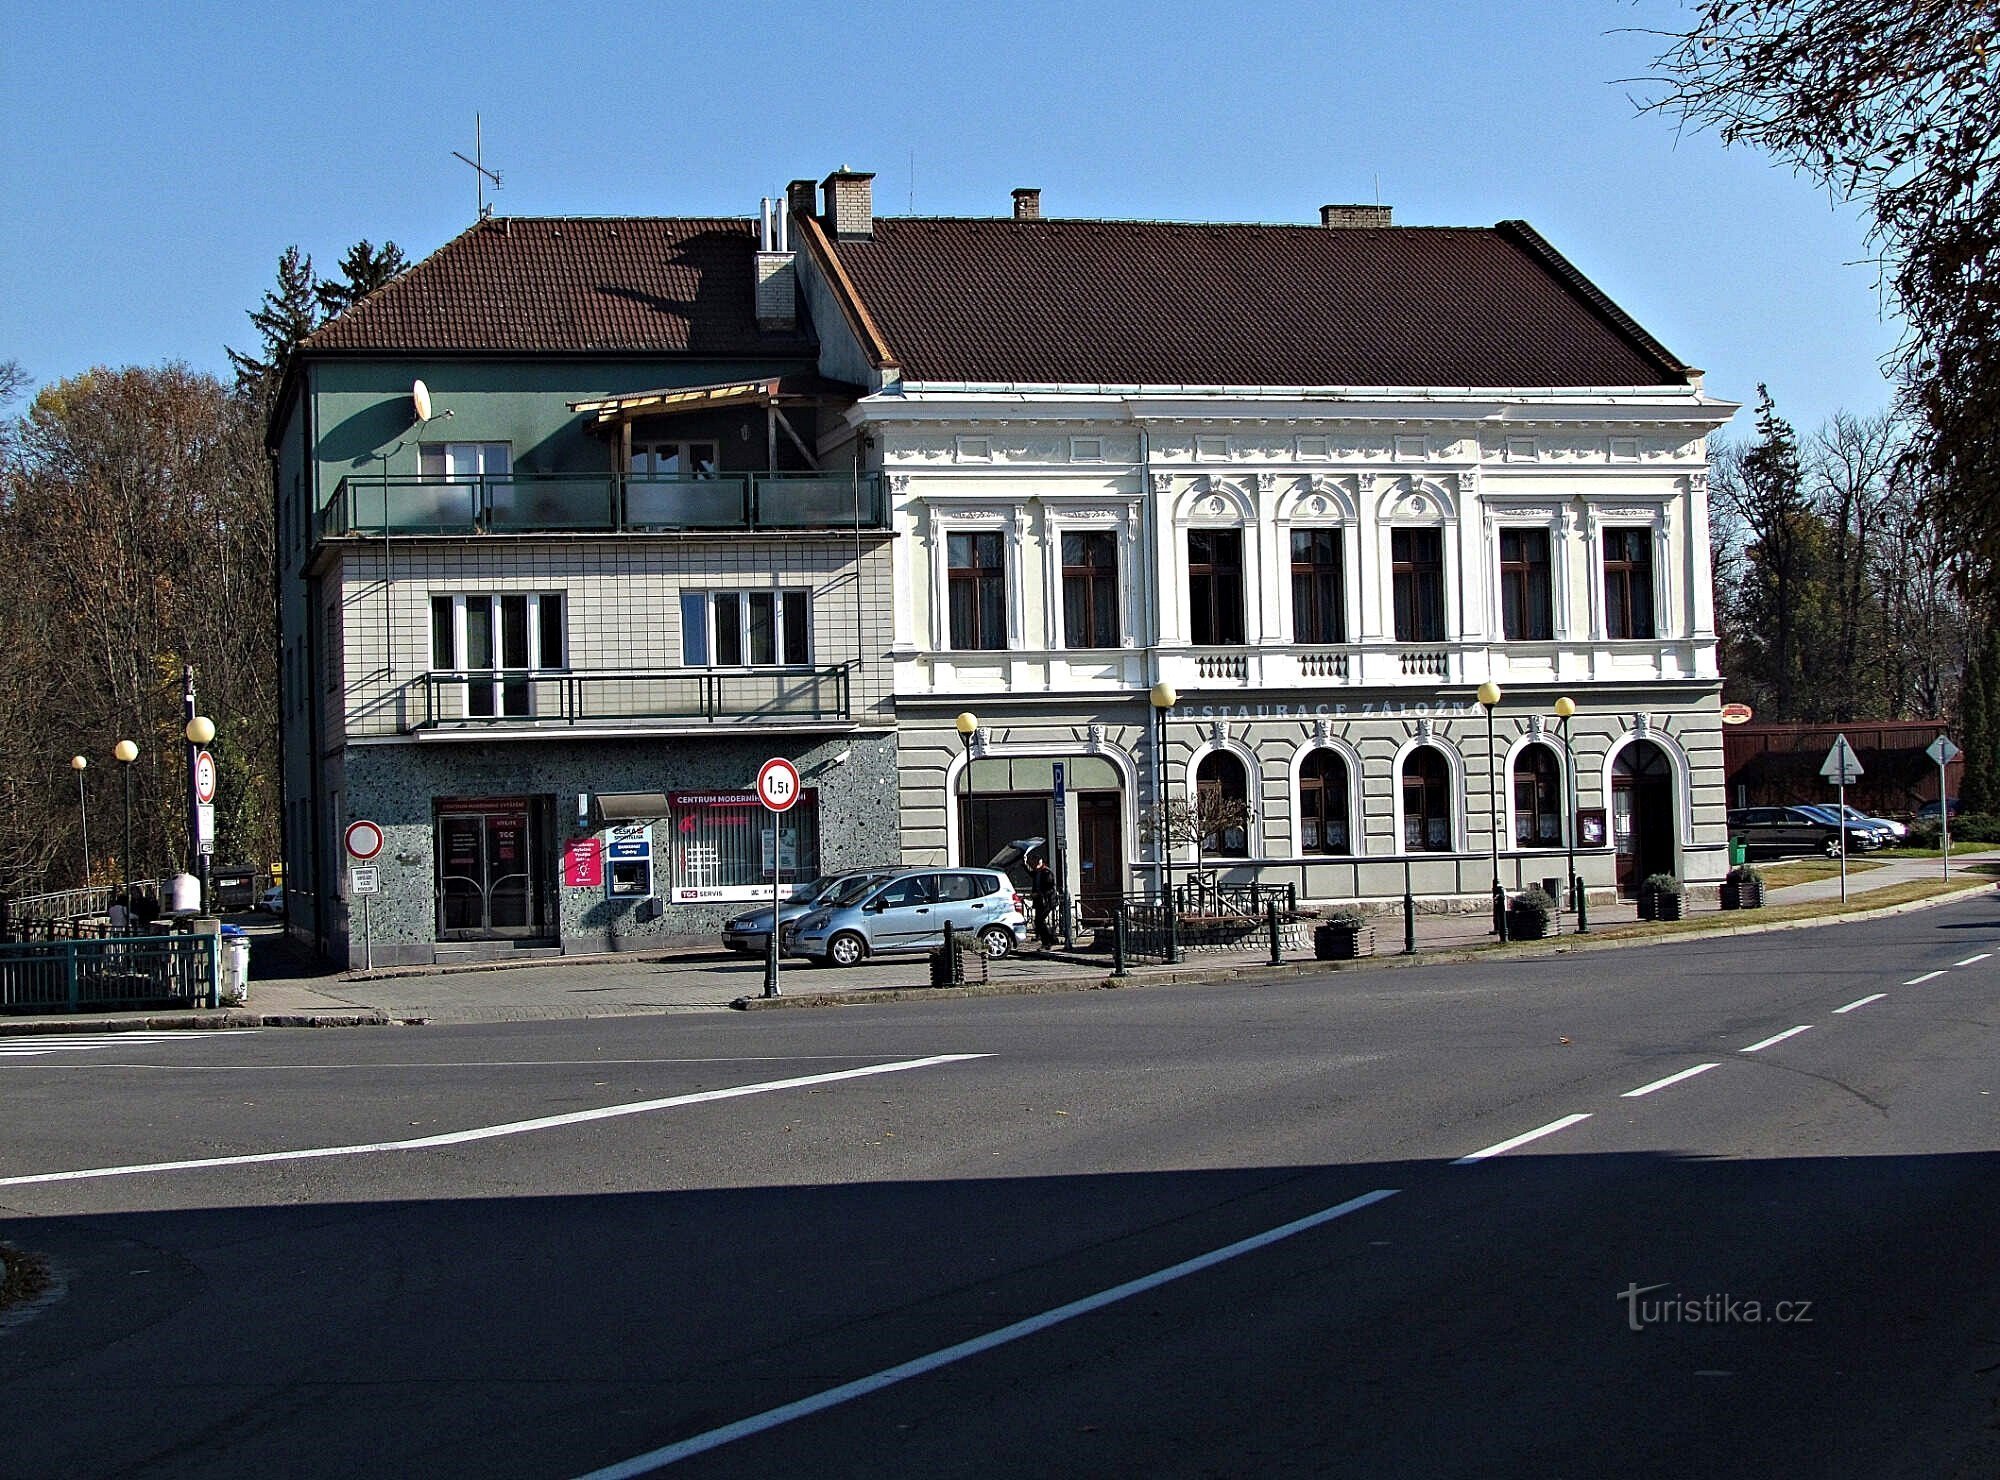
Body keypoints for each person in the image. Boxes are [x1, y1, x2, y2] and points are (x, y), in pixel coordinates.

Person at [1028, 856, 1058, 948]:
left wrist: (1038, 894)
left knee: (1040, 921)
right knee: (1038, 921)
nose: (1035, 865)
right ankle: (1051, 940)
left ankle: (1047, 942)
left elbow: (1050, 888)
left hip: (1047, 901)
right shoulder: (1037, 872)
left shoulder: (1046, 872)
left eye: (1037, 862)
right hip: (1039, 902)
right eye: (1034, 863)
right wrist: (1024, 863)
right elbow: (1030, 872)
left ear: (1041, 863)